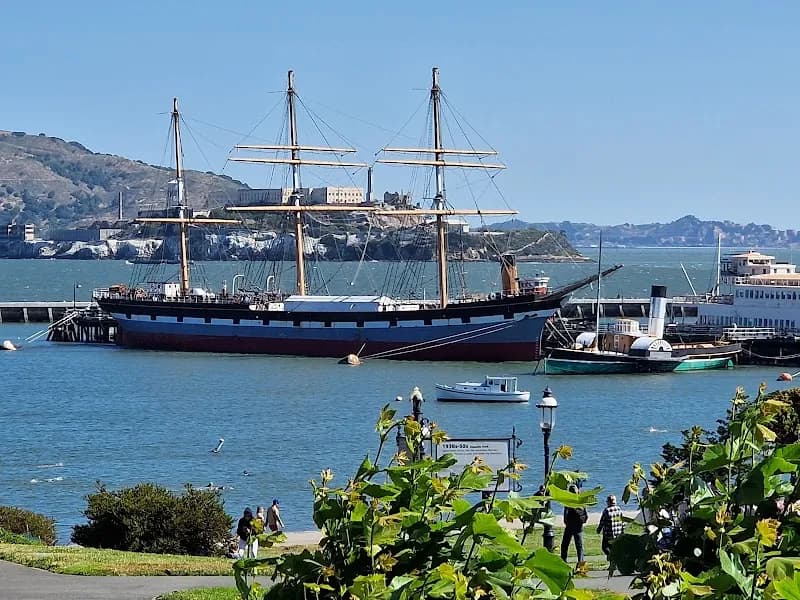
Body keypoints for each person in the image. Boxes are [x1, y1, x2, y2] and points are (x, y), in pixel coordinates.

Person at [561, 485, 588, 563]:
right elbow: (585, 512)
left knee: (565, 545)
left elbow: (565, 512)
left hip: (570, 525)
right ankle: (580, 562)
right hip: (578, 526)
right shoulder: (581, 500)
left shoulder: (569, 501)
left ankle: (564, 561)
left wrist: (566, 522)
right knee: (579, 546)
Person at [597, 495, 624, 559]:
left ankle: (612, 558)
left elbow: (602, 521)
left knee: (605, 547)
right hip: (618, 533)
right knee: (614, 548)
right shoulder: (619, 509)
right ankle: (614, 561)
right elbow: (622, 520)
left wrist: (599, 529)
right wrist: (622, 530)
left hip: (608, 533)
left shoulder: (607, 510)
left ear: (608, 502)